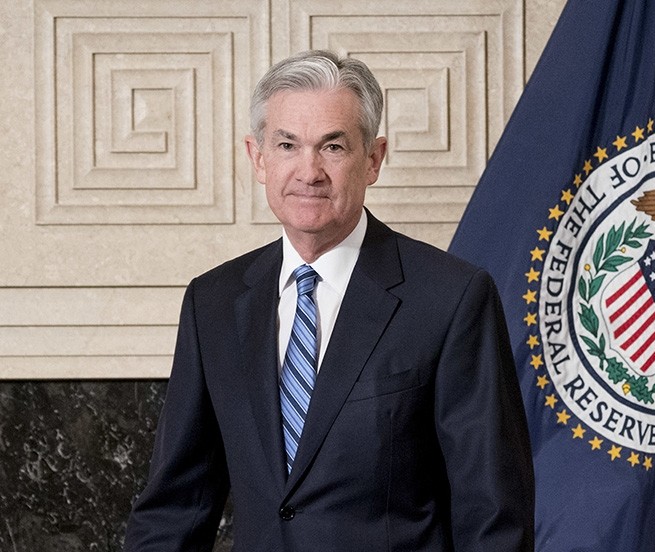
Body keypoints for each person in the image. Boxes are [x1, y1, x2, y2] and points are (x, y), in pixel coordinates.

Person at [124, 49, 534, 551]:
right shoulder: (213, 301)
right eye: (287, 145)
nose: (309, 170)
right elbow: (174, 508)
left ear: (373, 159)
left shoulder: (451, 299)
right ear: (258, 158)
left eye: (333, 147)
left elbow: (492, 515)